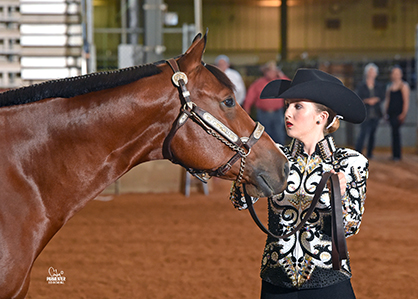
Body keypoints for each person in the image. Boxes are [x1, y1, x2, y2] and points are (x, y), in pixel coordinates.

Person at [244, 69, 369, 299]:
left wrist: (338, 198)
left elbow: (352, 227)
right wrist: (246, 171)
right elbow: (240, 201)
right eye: (288, 105)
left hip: (329, 281)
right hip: (277, 281)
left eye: (297, 106)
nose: (287, 112)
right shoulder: (274, 157)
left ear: (321, 118)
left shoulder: (350, 162)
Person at [243, 61, 289, 144]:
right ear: (265, 72)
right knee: (265, 136)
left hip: (277, 113)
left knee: (279, 135)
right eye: (269, 70)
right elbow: (250, 96)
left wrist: (281, 75)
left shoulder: (280, 81)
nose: (271, 73)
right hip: (263, 113)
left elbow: (289, 87)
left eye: (273, 70)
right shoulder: (258, 83)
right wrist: (247, 109)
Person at [354, 63, 385, 158]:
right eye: (370, 71)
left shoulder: (379, 86)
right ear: (366, 73)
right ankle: (357, 153)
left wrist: (376, 99)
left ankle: (370, 153)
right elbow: (358, 97)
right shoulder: (361, 85)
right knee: (362, 134)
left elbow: (382, 96)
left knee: (372, 134)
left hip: (376, 113)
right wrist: (367, 101)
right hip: (365, 113)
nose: (371, 73)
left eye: (373, 72)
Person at [384, 65, 410, 161]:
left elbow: (406, 101)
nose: (395, 75)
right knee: (393, 133)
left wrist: (403, 113)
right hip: (391, 113)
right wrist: (385, 112)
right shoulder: (389, 86)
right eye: (394, 73)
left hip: (398, 113)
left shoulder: (404, 85)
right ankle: (394, 154)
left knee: (396, 133)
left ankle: (397, 155)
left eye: (397, 73)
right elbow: (388, 100)